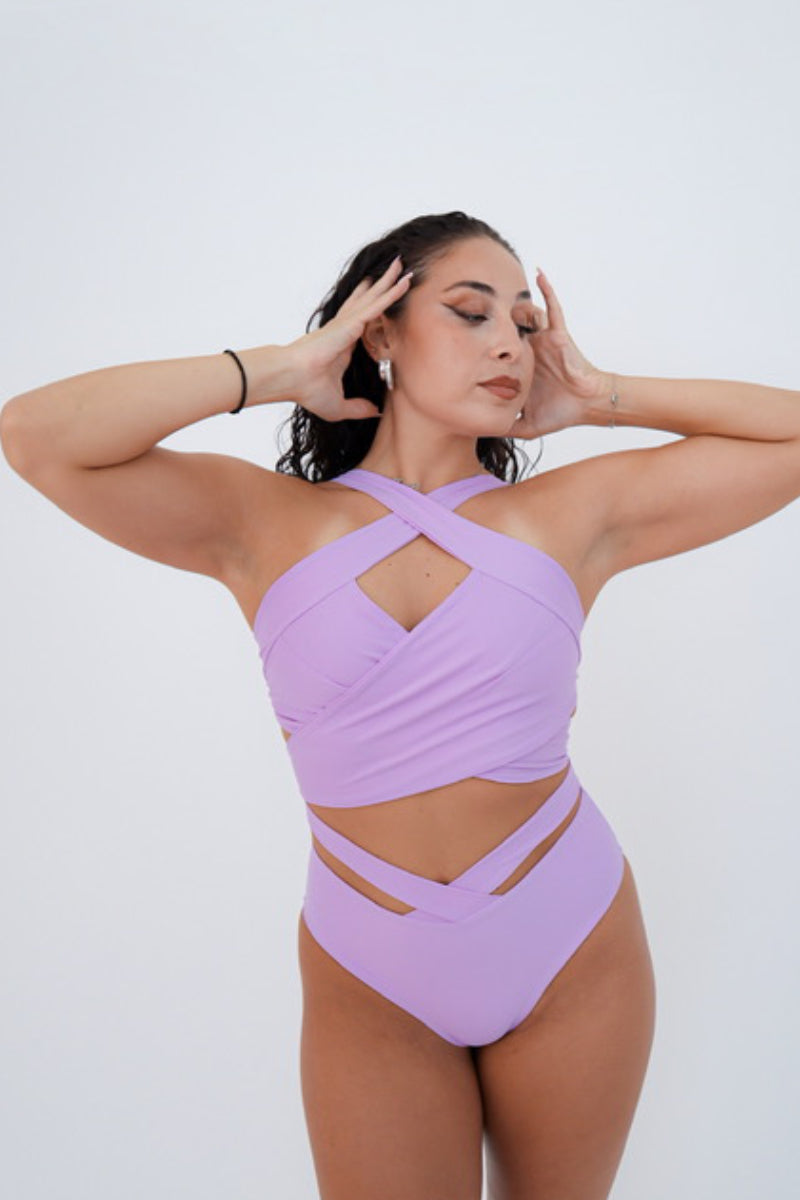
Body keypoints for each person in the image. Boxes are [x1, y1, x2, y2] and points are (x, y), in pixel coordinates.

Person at [3, 211, 800, 1200]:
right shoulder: (263, 522)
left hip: (568, 937)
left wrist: (598, 398)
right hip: (371, 967)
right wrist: (280, 368)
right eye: (470, 312)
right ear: (379, 329)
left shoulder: (569, 517)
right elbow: (35, 436)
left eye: (523, 322)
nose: (509, 343)